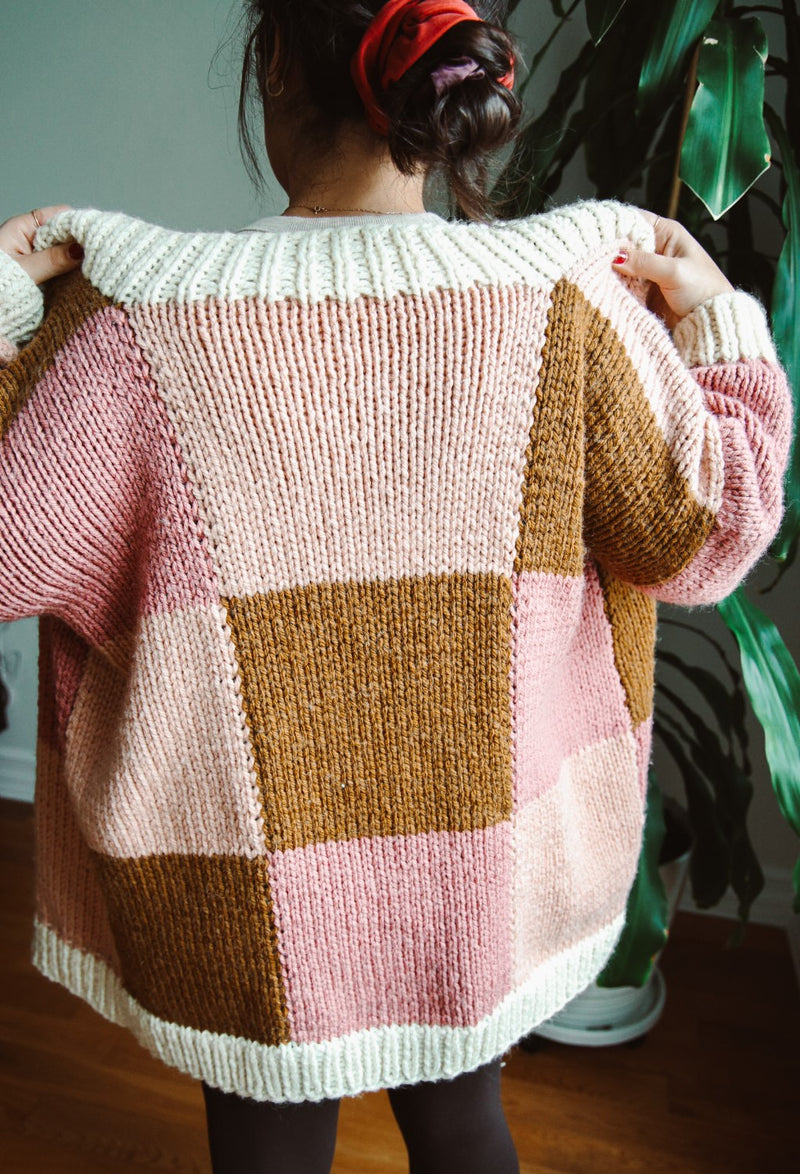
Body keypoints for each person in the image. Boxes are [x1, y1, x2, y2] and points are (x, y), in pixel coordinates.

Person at [0, 1, 792, 1171]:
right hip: (476, 878)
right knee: (464, 1124)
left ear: (273, 66)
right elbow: (713, 529)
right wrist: (718, 320)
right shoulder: (567, 307)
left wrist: (7, 297)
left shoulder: (132, 329)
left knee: (267, 1148)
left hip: (240, 891)